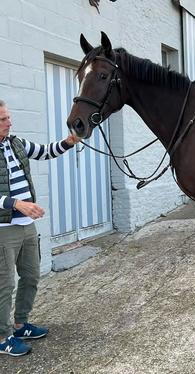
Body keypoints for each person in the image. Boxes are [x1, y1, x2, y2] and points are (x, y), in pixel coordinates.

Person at [0, 99, 80, 356]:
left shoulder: (16, 143)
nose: (9, 122)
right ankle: (3, 338)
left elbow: (45, 151)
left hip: (27, 227)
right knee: (4, 285)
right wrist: (17, 205)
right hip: (4, 229)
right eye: (3, 119)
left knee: (31, 276)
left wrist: (68, 142)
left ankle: (20, 323)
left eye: (8, 117)